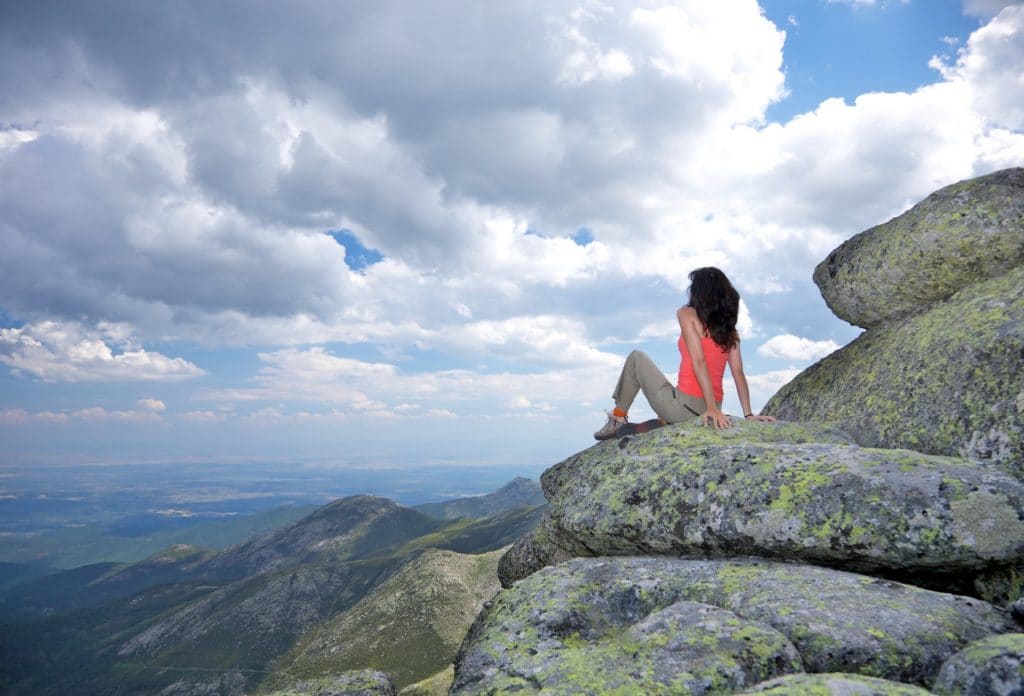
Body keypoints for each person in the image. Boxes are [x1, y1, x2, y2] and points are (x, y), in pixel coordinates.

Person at [594, 267, 776, 439]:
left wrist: (711, 409)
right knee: (671, 391)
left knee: (636, 357)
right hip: (709, 408)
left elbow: (699, 361)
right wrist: (748, 414)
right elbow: (738, 372)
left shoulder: (687, 314)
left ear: (700, 292)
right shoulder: (730, 331)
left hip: (688, 408)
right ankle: (664, 421)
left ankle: (618, 418)